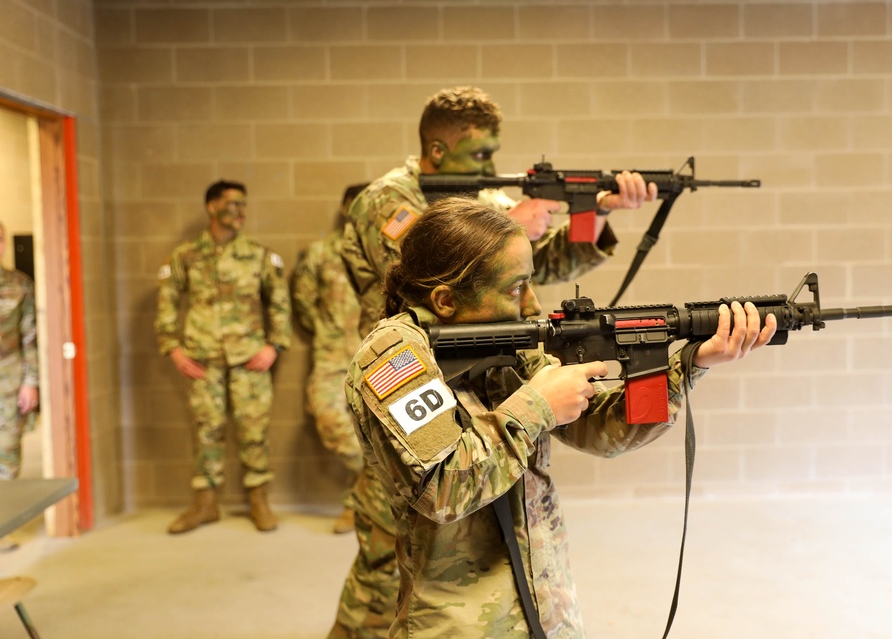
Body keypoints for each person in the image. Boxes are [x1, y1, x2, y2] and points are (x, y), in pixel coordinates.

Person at [345, 198, 777, 638]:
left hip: (544, 608)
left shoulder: (509, 342)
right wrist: (537, 405)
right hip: (463, 624)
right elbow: (444, 488)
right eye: (516, 288)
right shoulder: (393, 358)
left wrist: (691, 363)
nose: (532, 303)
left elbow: (600, 433)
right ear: (445, 299)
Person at [332, 86, 657, 638]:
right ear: (436, 151)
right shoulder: (389, 201)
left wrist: (590, 212)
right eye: (482, 155)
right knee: (392, 560)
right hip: (414, 380)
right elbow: (429, 263)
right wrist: (510, 221)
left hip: (478, 359)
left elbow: (542, 266)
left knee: (488, 542)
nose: (492, 168)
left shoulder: (482, 209)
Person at [155, 180, 292, 534]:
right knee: (206, 431)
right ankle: (205, 503)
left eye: (244, 206)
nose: (240, 212)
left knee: (253, 430)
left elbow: (279, 302)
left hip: (249, 358)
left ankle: (258, 498)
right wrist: (173, 349)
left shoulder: (260, 255)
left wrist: (273, 346)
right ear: (212, 207)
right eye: (233, 205)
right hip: (203, 360)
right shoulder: (185, 255)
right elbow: (167, 300)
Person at [292, 184, 367, 534]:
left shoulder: (389, 252)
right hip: (332, 355)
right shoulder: (320, 253)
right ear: (343, 208)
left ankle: (361, 507)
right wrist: (330, 332)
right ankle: (371, 490)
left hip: (382, 356)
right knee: (330, 420)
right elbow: (304, 303)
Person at [0, 220, 39, 482]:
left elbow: (30, 336)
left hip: (9, 384)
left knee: (7, 456)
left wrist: (30, 382)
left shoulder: (19, 285)